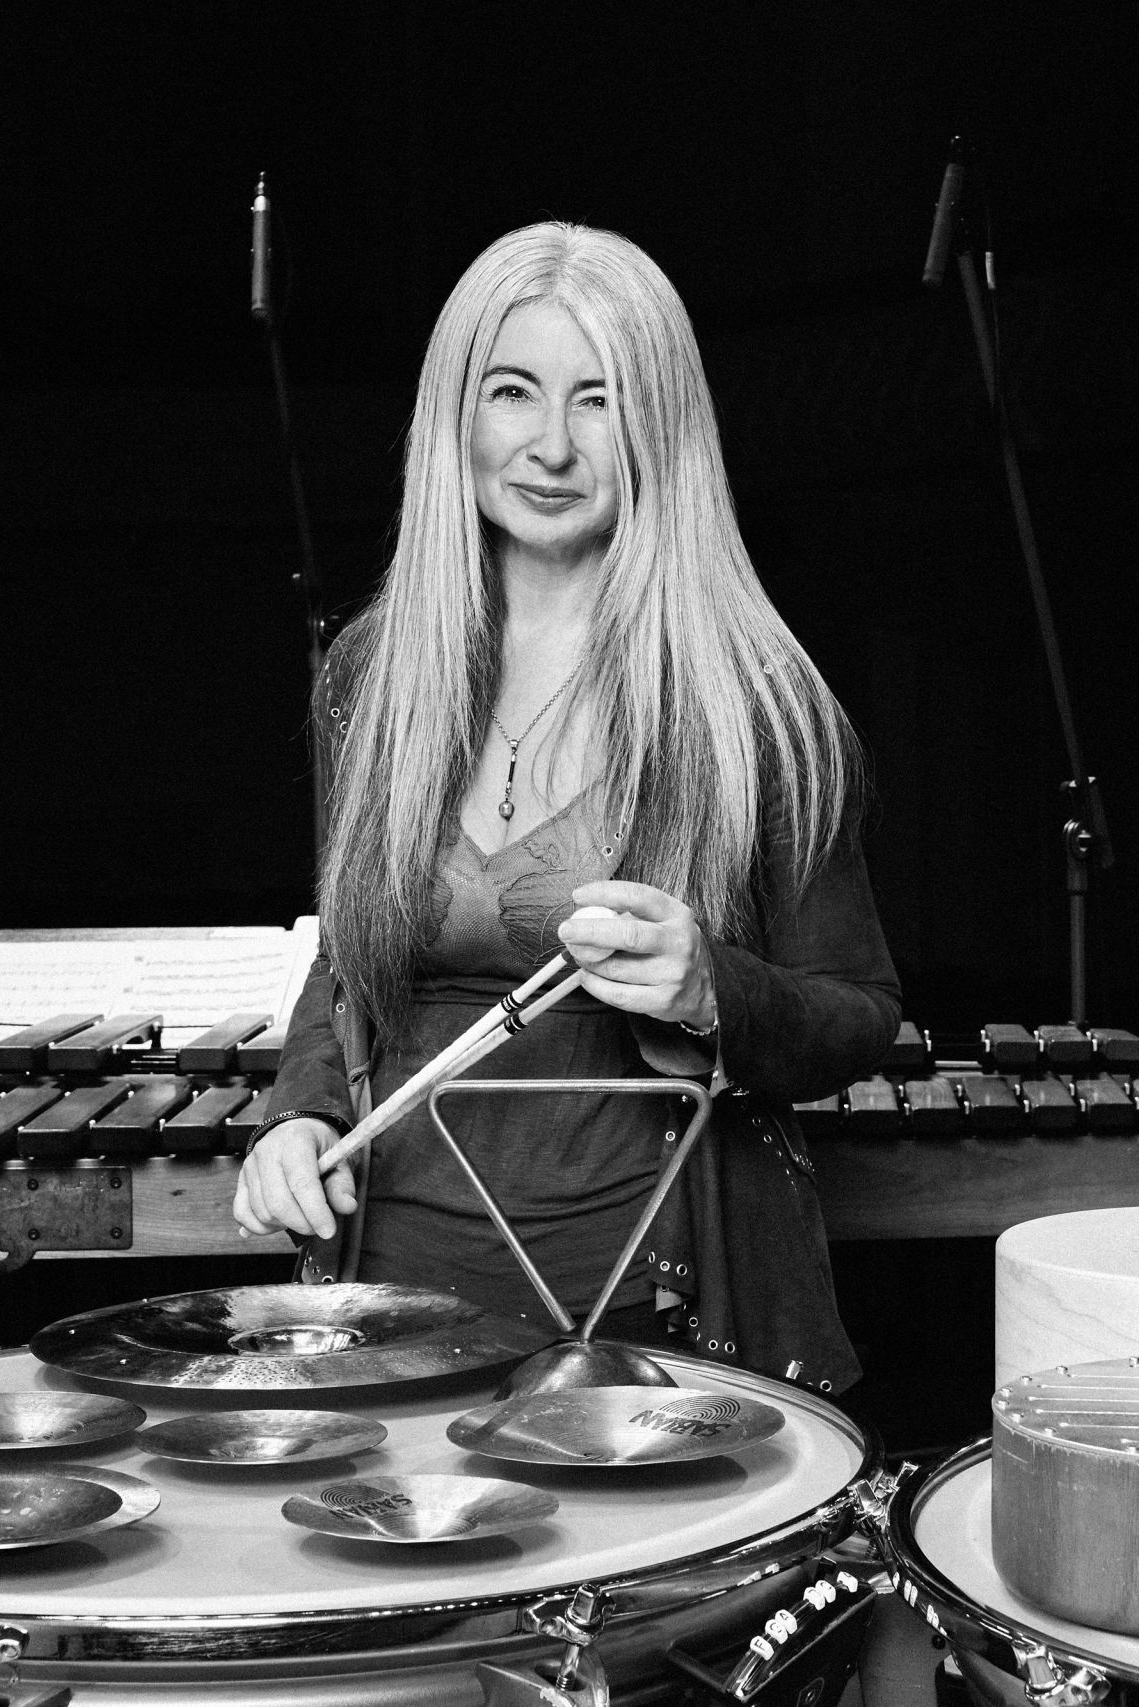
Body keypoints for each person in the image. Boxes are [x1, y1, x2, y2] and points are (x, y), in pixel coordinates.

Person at [232, 222, 899, 1390]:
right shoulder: (371, 677)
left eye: (597, 400)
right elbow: (348, 961)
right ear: (458, 414)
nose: (549, 445)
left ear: (659, 428)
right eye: (512, 392)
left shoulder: (755, 702)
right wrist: (297, 1114)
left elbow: (856, 1015)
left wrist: (712, 985)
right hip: (389, 1293)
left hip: (654, 1310)